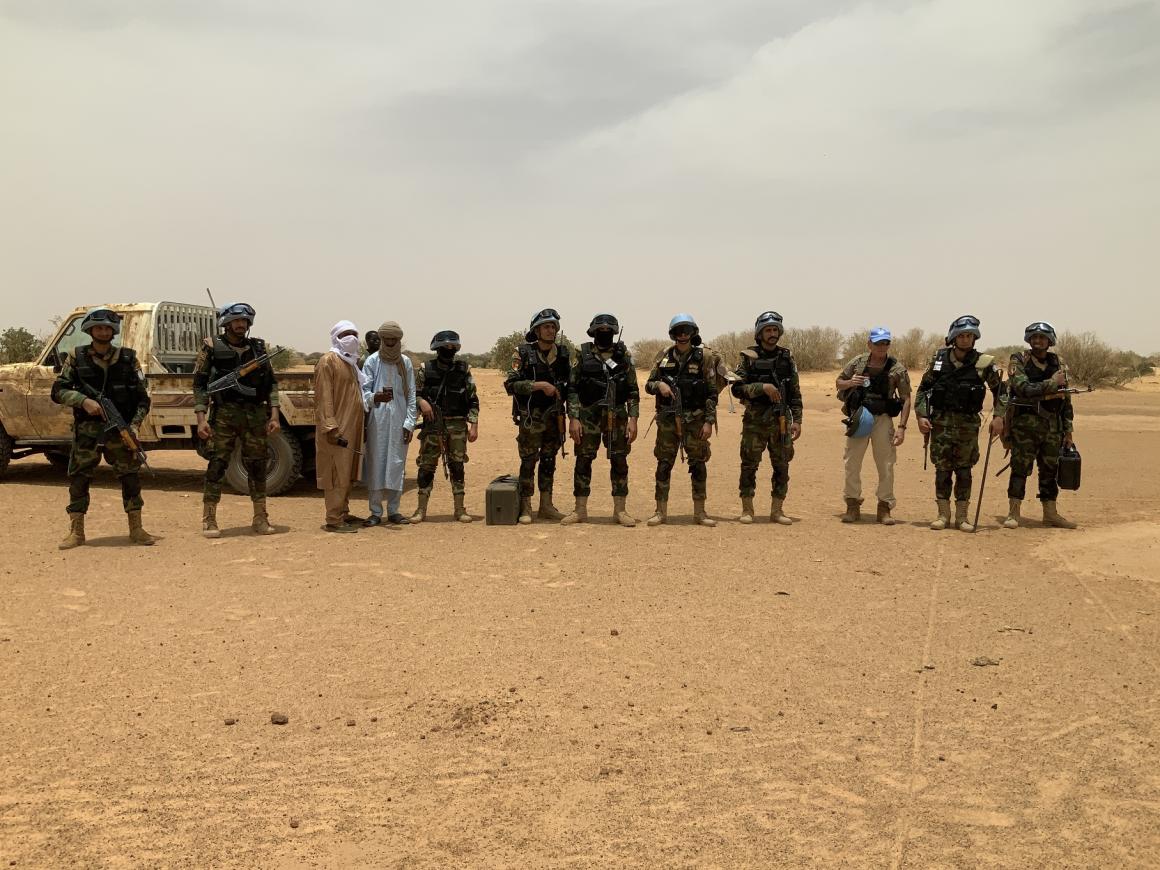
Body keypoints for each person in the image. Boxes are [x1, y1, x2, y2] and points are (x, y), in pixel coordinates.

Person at [51, 307, 155, 548]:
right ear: (90, 330)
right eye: (99, 328)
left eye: (108, 328)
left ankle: (136, 529)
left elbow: (143, 399)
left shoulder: (128, 359)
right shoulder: (76, 357)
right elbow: (58, 391)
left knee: (130, 477)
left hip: (120, 431)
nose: (103, 332)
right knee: (79, 478)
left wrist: (134, 426)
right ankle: (76, 532)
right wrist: (83, 401)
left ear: (113, 331)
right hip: (87, 430)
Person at [193, 302, 281, 538]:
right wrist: (201, 419)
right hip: (224, 415)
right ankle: (209, 518)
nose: (241, 325)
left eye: (244, 321)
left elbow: (271, 383)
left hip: (255, 414)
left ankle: (260, 517)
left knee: (258, 465)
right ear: (226, 323)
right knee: (217, 463)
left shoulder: (258, 348)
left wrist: (274, 414)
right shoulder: (211, 347)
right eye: (236, 321)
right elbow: (199, 385)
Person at [915, 315, 1004, 532]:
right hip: (941, 425)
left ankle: (962, 516)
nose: (965, 339)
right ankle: (943, 515)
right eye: (962, 336)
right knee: (942, 471)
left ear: (975, 338)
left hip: (967, 426)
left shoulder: (984, 363)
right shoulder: (938, 360)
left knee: (964, 471)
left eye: (969, 336)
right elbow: (923, 390)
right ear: (954, 338)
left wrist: (999, 417)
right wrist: (922, 415)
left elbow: (1001, 392)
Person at [644, 313, 728, 527]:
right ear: (673, 334)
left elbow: (712, 393)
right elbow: (648, 384)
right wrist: (659, 385)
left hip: (696, 421)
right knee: (663, 464)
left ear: (693, 333)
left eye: (687, 331)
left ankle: (700, 512)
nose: (683, 335)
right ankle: (660, 512)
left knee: (698, 465)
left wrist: (709, 422)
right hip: (668, 420)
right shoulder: (664, 356)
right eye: (679, 331)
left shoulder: (704, 358)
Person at [561, 314, 640, 527]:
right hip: (588, 417)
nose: (604, 334)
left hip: (617, 417)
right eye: (600, 331)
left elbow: (633, 391)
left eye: (608, 331)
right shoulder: (582, 354)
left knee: (619, 461)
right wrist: (574, 418)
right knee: (583, 461)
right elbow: (572, 389)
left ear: (614, 333)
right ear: (593, 333)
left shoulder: (624, 356)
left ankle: (620, 510)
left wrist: (633, 419)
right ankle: (580, 510)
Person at [1002, 322, 1077, 529]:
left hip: (1053, 427)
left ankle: (1050, 513)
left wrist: (1068, 430)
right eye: (1034, 337)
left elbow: (1065, 398)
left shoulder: (1058, 362)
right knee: (1020, 469)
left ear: (1049, 341)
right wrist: (1052, 383)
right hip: (1024, 427)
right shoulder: (1019, 359)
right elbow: (1023, 388)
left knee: (1050, 471)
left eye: (1042, 338)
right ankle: (1013, 513)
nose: (1038, 341)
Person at [731, 311, 803, 525]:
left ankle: (777, 510)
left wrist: (797, 420)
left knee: (782, 466)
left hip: (781, 421)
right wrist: (762, 387)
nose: (772, 334)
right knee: (749, 466)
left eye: (775, 330)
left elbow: (795, 393)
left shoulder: (787, 358)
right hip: (755, 421)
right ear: (760, 333)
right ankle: (747, 509)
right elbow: (737, 388)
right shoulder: (748, 357)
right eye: (768, 330)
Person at [835, 327, 912, 524]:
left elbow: (906, 398)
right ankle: (852, 504)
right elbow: (839, 382)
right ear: (869, 344)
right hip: (860, 417)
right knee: (852, 462)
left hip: (883, 418)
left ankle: (884, 507)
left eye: (885, 343)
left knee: (886, 464)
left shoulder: (897, 368)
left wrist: (902, 428)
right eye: (878, 343)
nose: (881, 347)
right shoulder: (858, 363)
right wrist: (851, 382)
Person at [504, 308, 571, 524]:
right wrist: (539, 385)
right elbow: (511, 384)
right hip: (531, 417)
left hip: (554, 416)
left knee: (549, 460)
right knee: (528, 461)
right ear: (536, 330)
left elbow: (571, 385)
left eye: (553, 327)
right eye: (546, 327)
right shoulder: (522, 352)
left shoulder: (563, 354)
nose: (551, 330)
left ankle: (546, 505)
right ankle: (526, 506)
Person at [410, 330, 479, 523]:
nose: (449, 350)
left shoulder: (464, 369)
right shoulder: (425, 369)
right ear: (437, 349)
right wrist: (421, 402)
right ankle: (420, 509)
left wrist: (474, 425)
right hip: (433, 425)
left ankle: (460, 509)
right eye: (445, 347)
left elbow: (473, 399)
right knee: (426, 466)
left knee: (457, 466)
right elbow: (413, 394)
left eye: (452, 347)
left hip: (457, 425)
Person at [361, 321, 417, 526]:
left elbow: (411, 395)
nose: (391, 342)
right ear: (383, 339)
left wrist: (409, 423)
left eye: (394, 339)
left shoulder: (405, 362)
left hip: (400, 421)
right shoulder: (372, 361)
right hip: (378, 421)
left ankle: (394, 510)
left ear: (399, 340)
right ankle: (375, 512)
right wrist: (375, 397)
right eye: (387, 339)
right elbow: (363, 392)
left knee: (396, 464)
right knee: (376, 464)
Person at [315, 320, 368, 532]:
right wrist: (331, 427)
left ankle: (343, 512)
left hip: (352, 428)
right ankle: (333, 519)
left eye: (354, 334)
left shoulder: (351, 363)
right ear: (336, 337)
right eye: (345, 334)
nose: (351, 338)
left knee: (348, 472)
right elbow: (324, 398)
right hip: (337, 430)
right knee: (336, 473)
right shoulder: (328, 361)